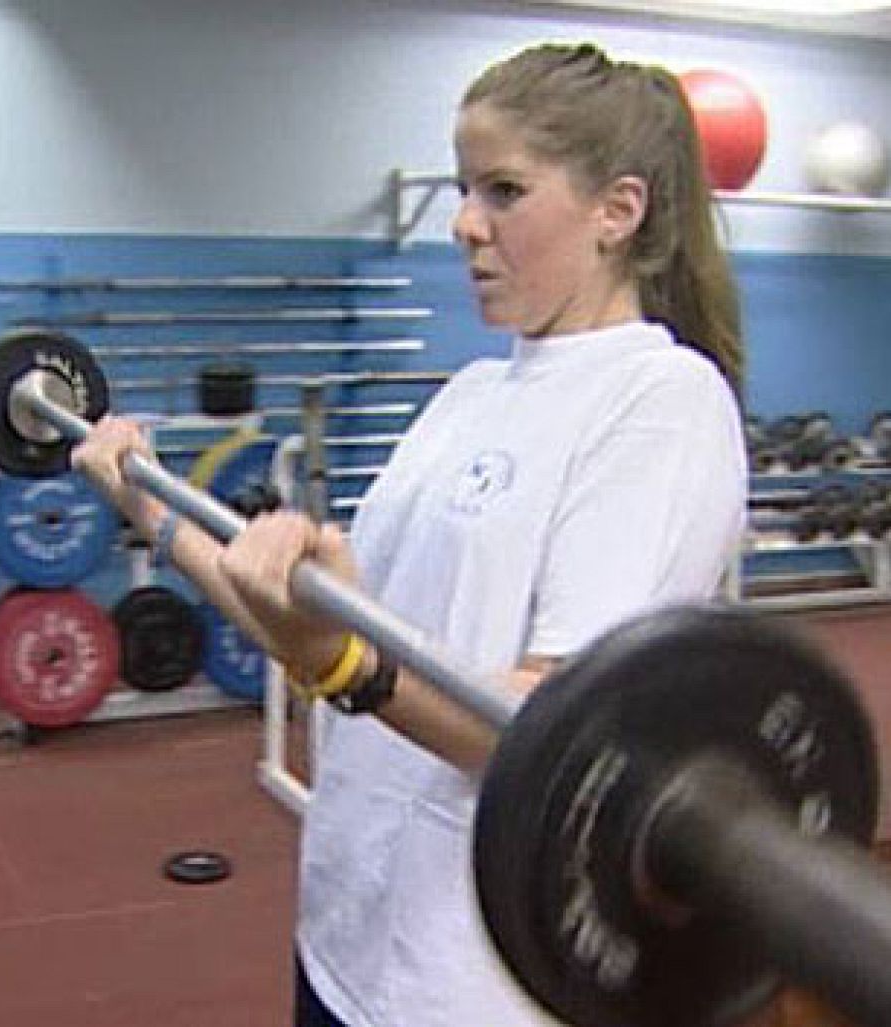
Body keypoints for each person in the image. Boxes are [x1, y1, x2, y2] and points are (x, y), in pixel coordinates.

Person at [73, 42, 748, 1027]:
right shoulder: (470, 395)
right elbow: (321, 627)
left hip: (476, 984)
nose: (465, 222)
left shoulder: (662, 401)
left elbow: (559, 727)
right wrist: (151, 512)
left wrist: (341, 662)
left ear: (618, 210)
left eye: (504, 190)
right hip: (345, 931)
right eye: (464, 188)